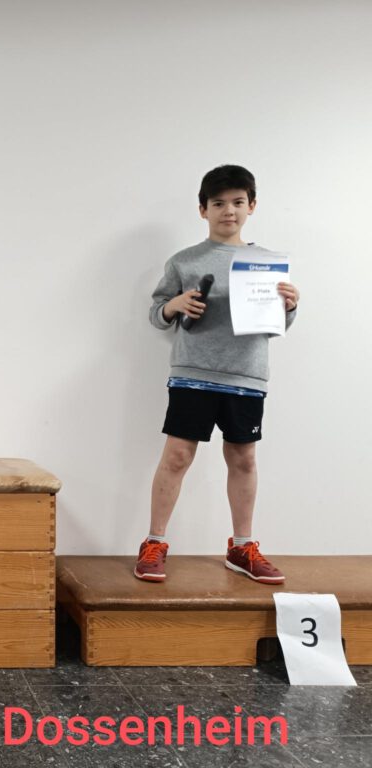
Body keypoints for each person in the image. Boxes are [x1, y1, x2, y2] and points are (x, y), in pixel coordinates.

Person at [135, 165, 299, 584]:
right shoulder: (184, 261)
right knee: (177, 456)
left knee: (243, 458)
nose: (229, 210)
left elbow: (276, 326)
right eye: (219, 203)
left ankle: (242, 546)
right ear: (203, 209)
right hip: (192, 373)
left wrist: (290, 306)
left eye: (238, 202)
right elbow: (156, 313)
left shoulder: (268, 264)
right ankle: (154, 542)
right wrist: (173, 306)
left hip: (246, 375)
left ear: (252, 206)